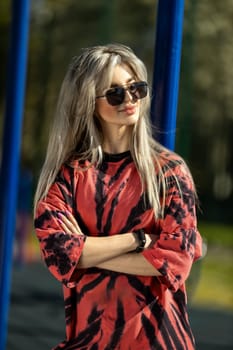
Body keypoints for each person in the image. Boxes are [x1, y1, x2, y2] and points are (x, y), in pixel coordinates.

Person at [34, 43, 202, 350]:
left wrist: (86, 255)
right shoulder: (68, 177)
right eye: (115, 93)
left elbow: (176, 263)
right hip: (90, 340)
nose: (129, 100)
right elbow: (58, 255)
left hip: (159, 341)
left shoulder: (169, 172)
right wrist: (139, 240)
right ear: (88, 102)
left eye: (135, 88)